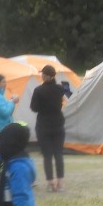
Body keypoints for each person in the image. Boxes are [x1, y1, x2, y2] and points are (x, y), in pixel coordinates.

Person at [28, 64, 72, 192]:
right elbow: (64, 99)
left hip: (43, 125)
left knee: (47, 155)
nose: (41, 76)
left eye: (43, 74)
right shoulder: (60, 89)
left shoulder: (38, 90)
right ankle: (60, 182)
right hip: (58, 124)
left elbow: (34, 108)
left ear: (47, 76)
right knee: (58, 154)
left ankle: (50, 182)